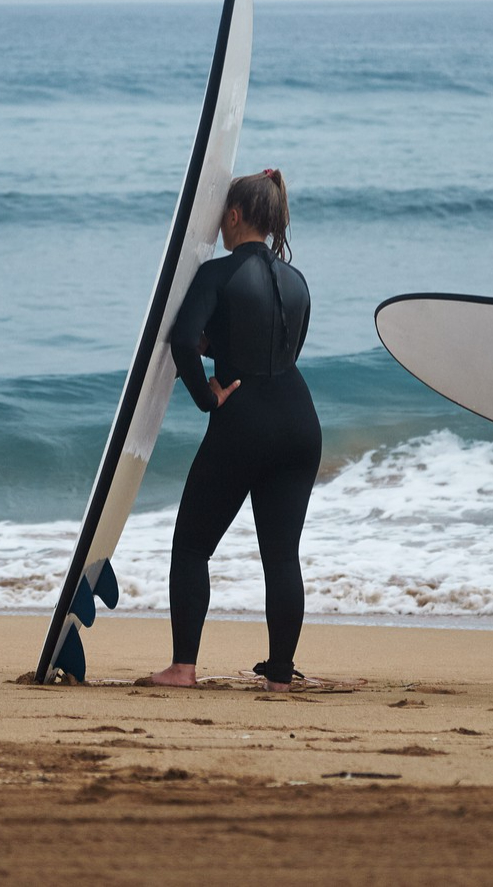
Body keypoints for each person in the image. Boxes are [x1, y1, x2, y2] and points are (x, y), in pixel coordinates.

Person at [148, 169, 320, 692]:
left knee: (192, 547)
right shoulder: (297, 281)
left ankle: (183, 667)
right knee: (281, 554)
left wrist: (207, 397)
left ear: (236, 215)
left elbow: (180, 342)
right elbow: (281, 350)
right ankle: (281, 675)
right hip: (299, 422)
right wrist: (221, 348)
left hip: (244, 422)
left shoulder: (217, 274)